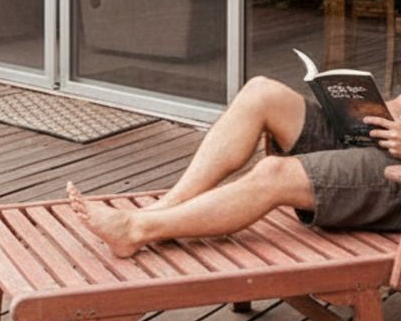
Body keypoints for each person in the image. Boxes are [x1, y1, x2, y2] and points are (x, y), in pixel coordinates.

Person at [67, 75, 401, 258]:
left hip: (394, 173)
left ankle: (136, 229)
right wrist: (364, 109)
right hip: (383, 139)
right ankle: (170, 205)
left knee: (273, 173)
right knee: (261, 92)